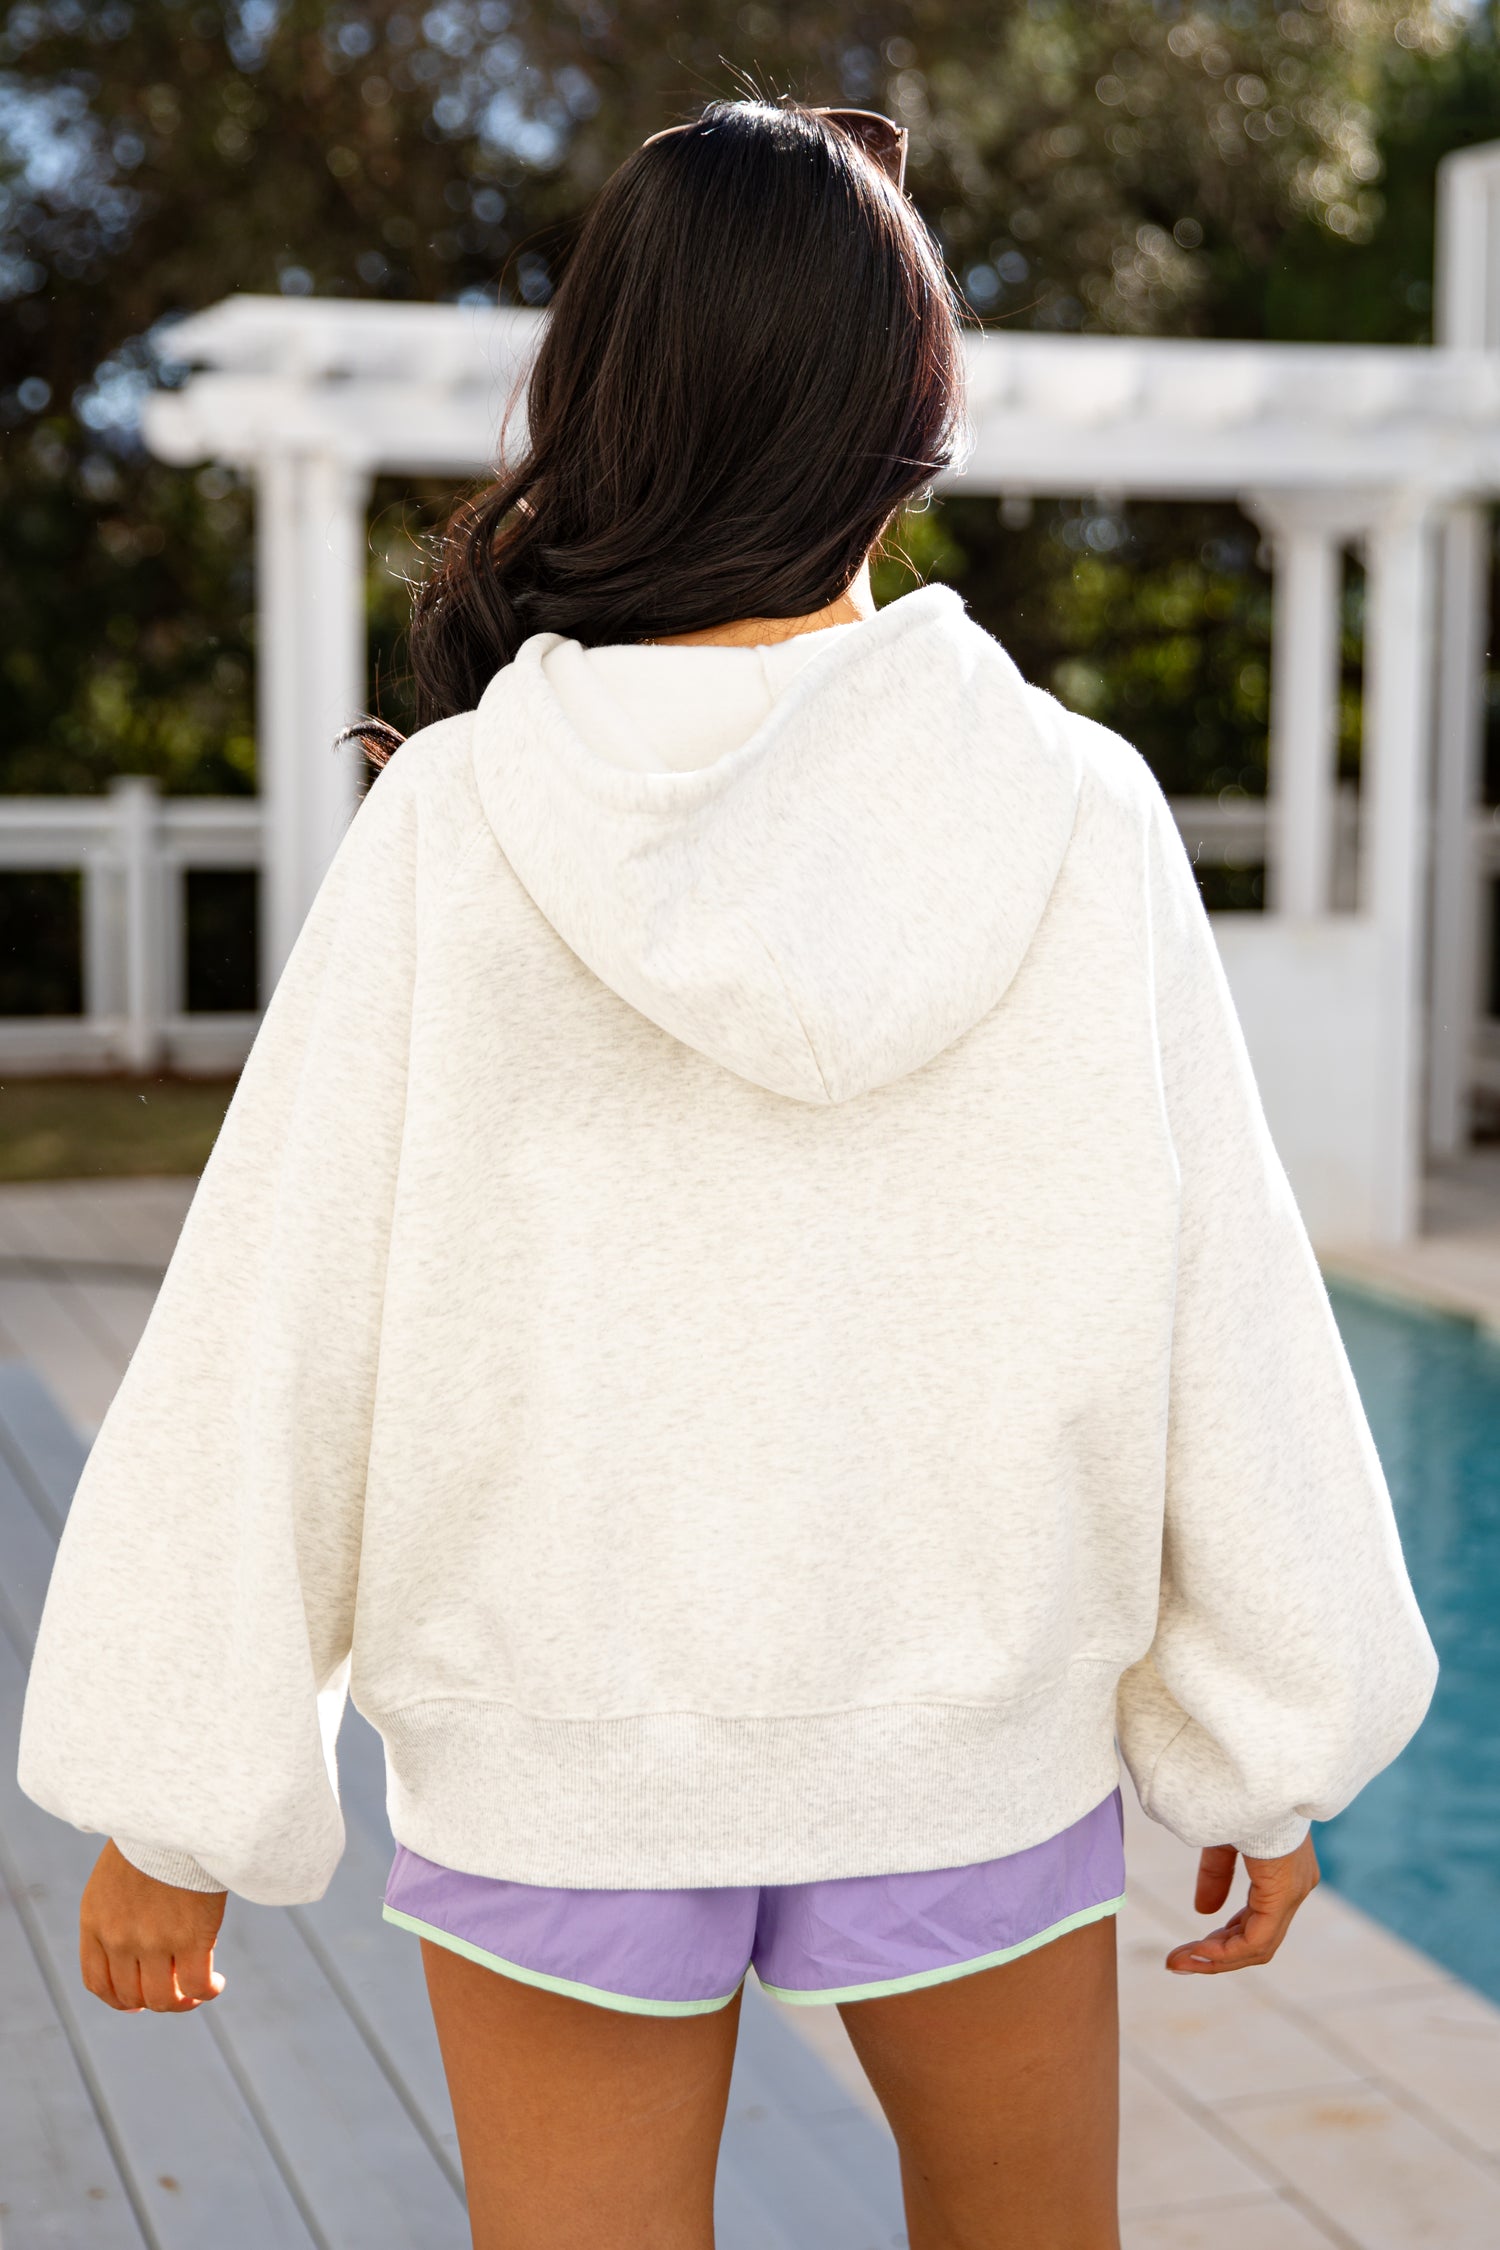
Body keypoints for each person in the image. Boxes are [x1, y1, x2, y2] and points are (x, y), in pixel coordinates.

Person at [19, 97, 1436, 2250]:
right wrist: (1268, 1733)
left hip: (561, 1746)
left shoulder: (459, 824)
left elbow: (279, 1323)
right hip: (964, 1737)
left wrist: (173, 1798)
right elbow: (1217, 1305)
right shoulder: (1075, 810)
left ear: (601, 394)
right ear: (912, 416)